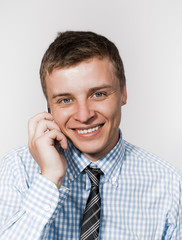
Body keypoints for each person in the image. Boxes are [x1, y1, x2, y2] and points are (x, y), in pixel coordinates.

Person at [0, 31, 181, 240]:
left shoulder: (169, 184)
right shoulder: (17, 169)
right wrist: (49, 179)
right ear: (49, 108)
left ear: (123, 92)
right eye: (65, 100)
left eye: (98, 94)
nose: (84, 115)